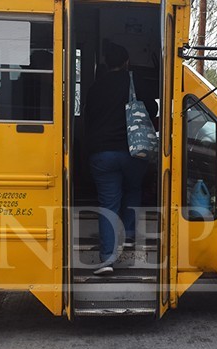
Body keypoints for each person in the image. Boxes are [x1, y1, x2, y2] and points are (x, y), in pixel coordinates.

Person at [85, 43, 157, 275]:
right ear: (126, 62)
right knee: (133, 189)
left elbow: (88, 118)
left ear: (106, 63)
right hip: (133, 150)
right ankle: (129, 235)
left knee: (108, 204)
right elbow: (153, 110)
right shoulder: (134, 81)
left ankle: (107, 259)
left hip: (102, 153)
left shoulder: (95, 87)